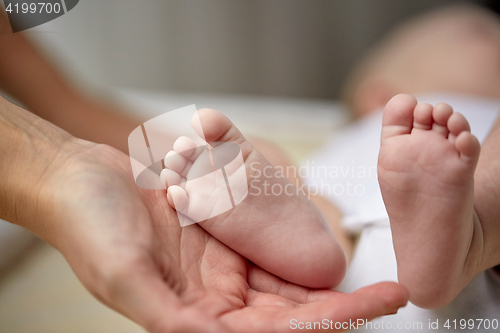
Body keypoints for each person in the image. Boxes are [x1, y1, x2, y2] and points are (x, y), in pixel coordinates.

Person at [0, 8, 408, 333]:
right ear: (378, 98)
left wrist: (68, 164)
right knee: (293, 175)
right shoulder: (419, 115)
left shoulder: (372, 134)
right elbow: (70, 109)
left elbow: (71, 111)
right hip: (411, 171)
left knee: (300, 183)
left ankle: (312, 232)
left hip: (370, 183)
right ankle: (311, 230)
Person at [303, 4, 500, 331]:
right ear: (381, 98)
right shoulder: (469, 119)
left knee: (284, 178)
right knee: (296, 196)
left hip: (347, 276)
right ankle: (475, 232)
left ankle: (474, 234)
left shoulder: (348, 145)